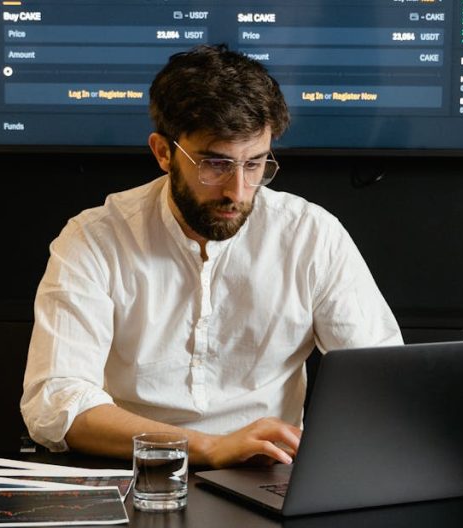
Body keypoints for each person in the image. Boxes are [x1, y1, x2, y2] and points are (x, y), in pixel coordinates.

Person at [20, 44, 401, 468]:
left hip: (271, 474)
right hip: (131, 473)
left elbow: (383, 381)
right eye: (215, 165)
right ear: (163, 152)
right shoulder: (94, 238)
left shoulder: (311, 235)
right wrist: (207, 446)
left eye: (255, 164)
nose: (237, 191)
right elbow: (55, 403)